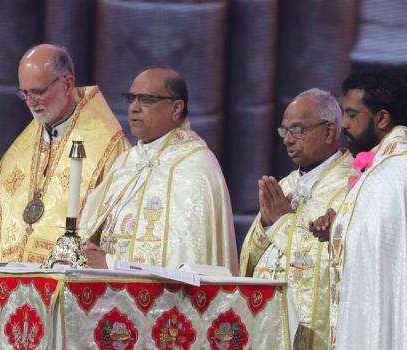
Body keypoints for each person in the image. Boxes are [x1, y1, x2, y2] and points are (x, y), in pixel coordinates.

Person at [79, 67, 238, 274]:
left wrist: (112, 265)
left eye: (146, 99)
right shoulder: (127, 160)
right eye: (131, 98)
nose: (134, 108)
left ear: (176, 108)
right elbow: (91, 231)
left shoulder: (195, 166)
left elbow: (184, 263)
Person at [0, 44, 129, 263]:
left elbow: (113, 238)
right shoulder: (15, 155)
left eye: (38, 92)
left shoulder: (109, 148)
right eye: (24, 93)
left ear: (67, 84)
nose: (30, 103)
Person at [239, 88, 356, 349]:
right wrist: (266, 225)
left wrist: (282, 224)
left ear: (328, 131)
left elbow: (340, 260)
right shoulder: (287, 184)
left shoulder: (352, 185)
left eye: (298, 130)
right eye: (284, 131)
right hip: (268, 324)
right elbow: (249, 259)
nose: (288, 140)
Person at [320, 70, 407, 350]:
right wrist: (340, 226)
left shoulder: (392, 171)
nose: (343, 123)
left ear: (382, 118)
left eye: (352, 114)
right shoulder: (386, 166)